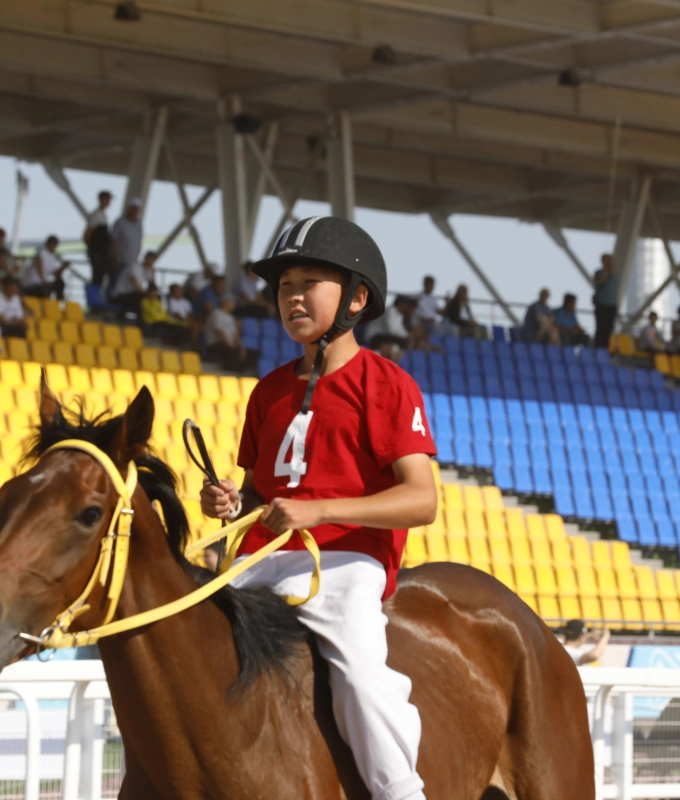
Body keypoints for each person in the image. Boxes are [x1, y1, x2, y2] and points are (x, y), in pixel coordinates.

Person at [201, 217, 436, 800]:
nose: (293, 297)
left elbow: (422, 499)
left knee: (358, 674)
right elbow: (260, 493)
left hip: (346, 563)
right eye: (284, 286)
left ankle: (400, 792)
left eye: (310, 282)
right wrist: (234, 502)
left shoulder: (387, 384)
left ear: (357, 298)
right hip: (260, 560)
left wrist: (318, 510)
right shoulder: (268, 390)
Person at [204, 296, 253, 371]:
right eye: (232, 303)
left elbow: (235, 335)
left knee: (251, 353)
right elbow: (219, 332)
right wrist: (230, 345)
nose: (234, 305)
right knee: (232, 351)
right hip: (216, 343)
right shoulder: (216, 313)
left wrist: (241, 347)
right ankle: (230, 373)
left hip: (229, 343)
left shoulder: (230, 317)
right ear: (225, 302)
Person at [368, 295, 419, 362]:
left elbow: (399, 328)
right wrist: (407, 335)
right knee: (401, 341)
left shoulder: (399, 315)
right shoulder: (390, 310)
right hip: (375, 336)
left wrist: (408, 335)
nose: (406, 307)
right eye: (405, 304)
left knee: (403, 342)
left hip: (385, 336)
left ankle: (392, 359)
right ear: (401, 304)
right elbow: (391, 329)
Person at [110, 198, 144, 291]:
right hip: (120, 262)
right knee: (115, 284)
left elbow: (139, 241)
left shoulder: (139, 224)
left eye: (136, 209)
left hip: (131, 262)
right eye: (133, 208)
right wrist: (115, 257)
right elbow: (113, 240)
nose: (135, 211)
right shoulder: (120, 222)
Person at [84, 190, 115, 289]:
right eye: (107, 199)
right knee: (97, 277)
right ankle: (94, 299)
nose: (109, 202)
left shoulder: (103, 215)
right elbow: (87, 234)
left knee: (103, 276)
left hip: (103, 253)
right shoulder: (96, 215)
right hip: (98, 253)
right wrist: (93, 250)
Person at [21, 235, 67, 299]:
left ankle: (58, 303)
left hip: (42, 284)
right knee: (45, 289)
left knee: (60, 284)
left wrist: (63, 267)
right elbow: (39, 266)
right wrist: (44, 281)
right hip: (31, 284)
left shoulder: (52, 257)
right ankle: (45, 307)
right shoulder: (41, 252)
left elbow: (56, 274)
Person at [592, 254, 619, 350]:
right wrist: (606, 271)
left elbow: (616, 292)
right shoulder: (599, 273)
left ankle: (605, 348)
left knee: (609, 329)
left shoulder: (615, 276)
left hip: (612, 305)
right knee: (601, 328)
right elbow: (600, 282)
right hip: (602, 304)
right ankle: (598, 348)